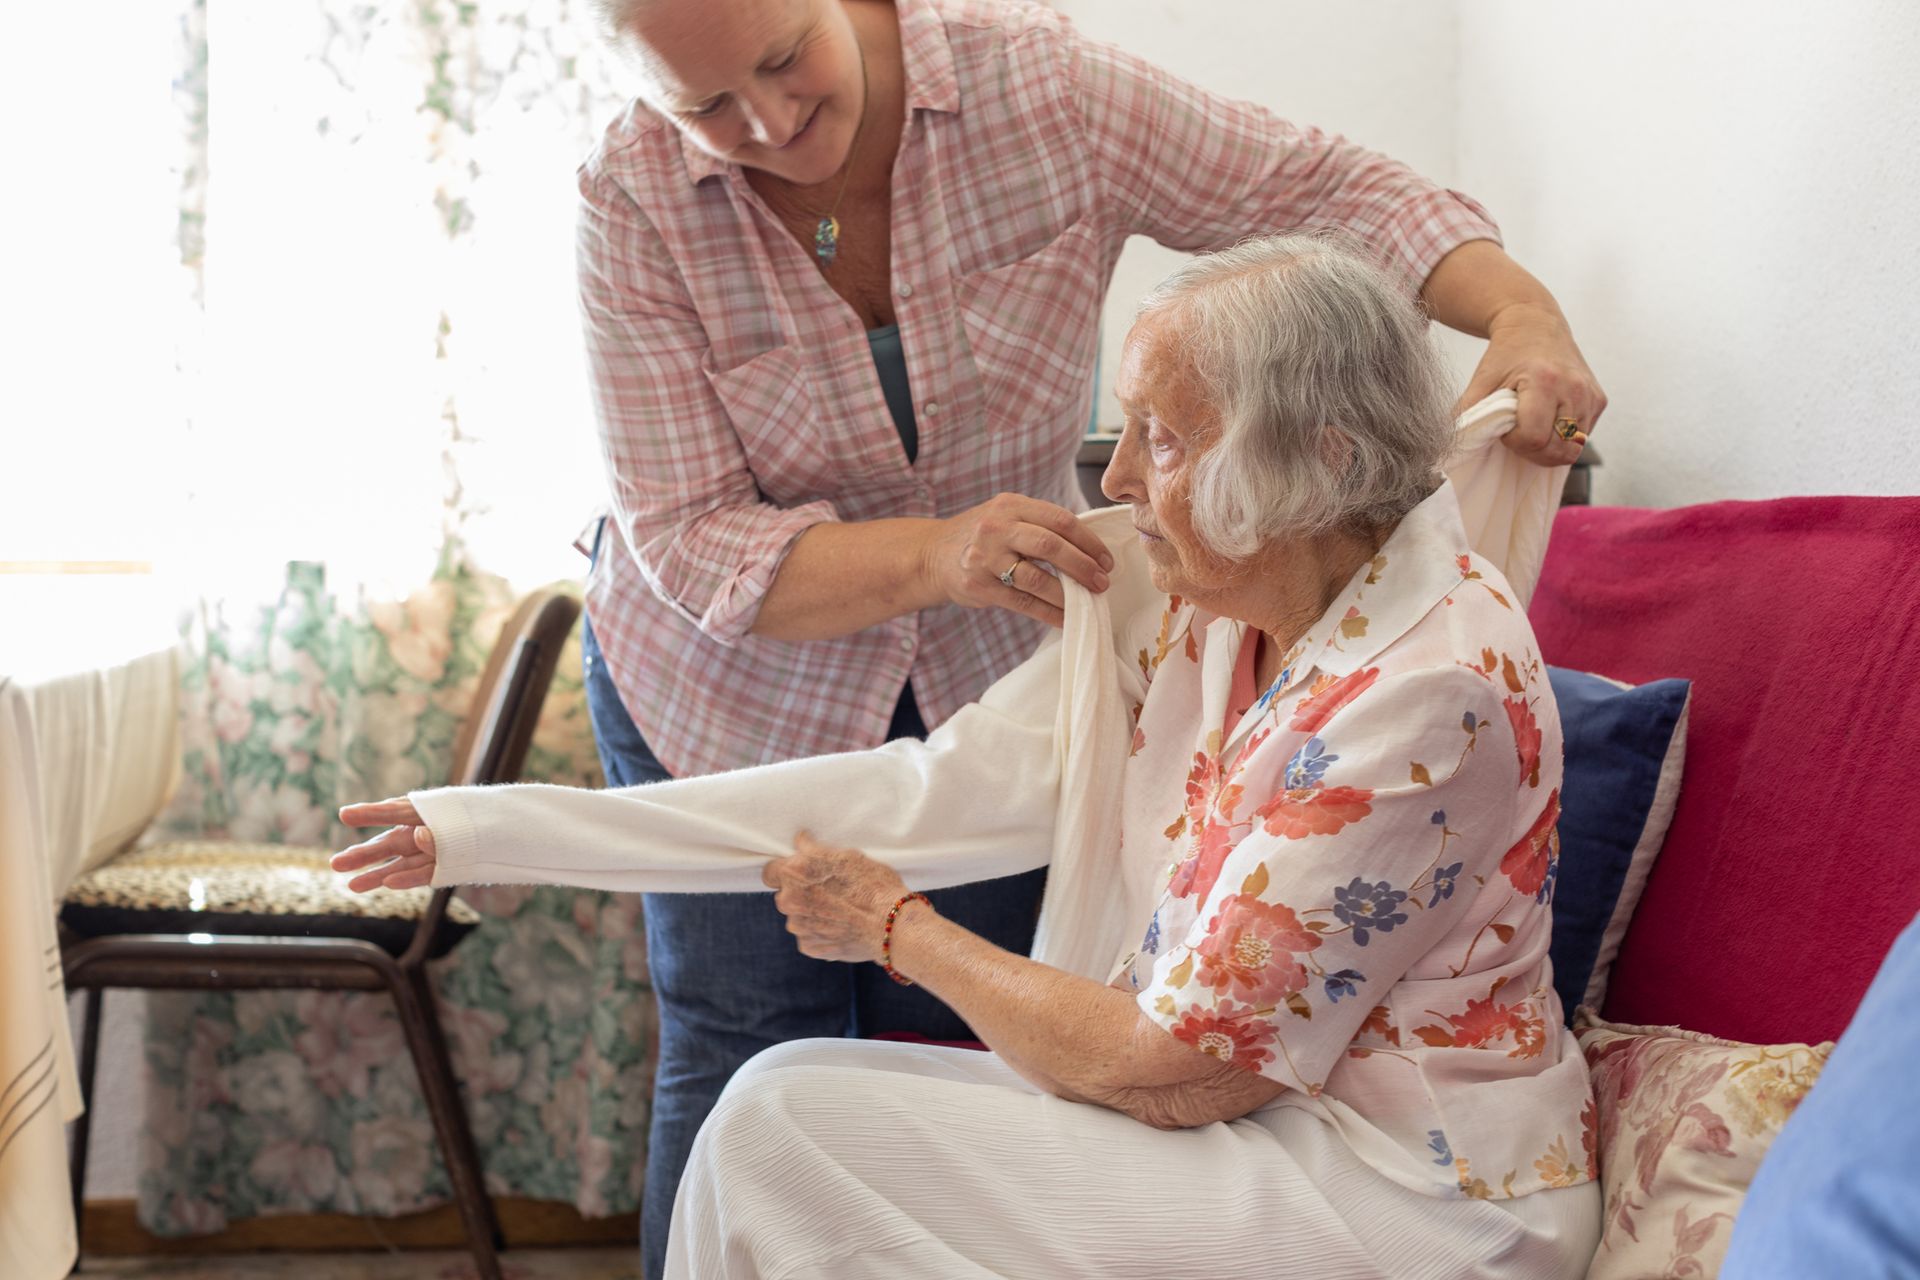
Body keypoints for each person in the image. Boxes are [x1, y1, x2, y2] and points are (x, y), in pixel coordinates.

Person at [336, 234, 1602, 1277]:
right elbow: (914, 793)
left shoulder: (1429, 687)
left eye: (1162, 437)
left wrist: (902, 931)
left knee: (784, 1130)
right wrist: (487, 827)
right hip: (1267, 1115)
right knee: (777, 1101)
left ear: (1317, 460)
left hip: (1408, 1192)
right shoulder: (1219, 607)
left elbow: (1178, 1069)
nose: (1116, 476)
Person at [570, 0, 1602, 1267]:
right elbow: (687, 538)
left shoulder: (1039, 92)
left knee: (883, 1090)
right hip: (737, 672)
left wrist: (1525, 310)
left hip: (1371, 1145)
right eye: (707, 108)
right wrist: (936, 551)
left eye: (786, 62)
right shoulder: (631, 201)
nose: (771, 126)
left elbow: (1330, 188)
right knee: (742, 1047)